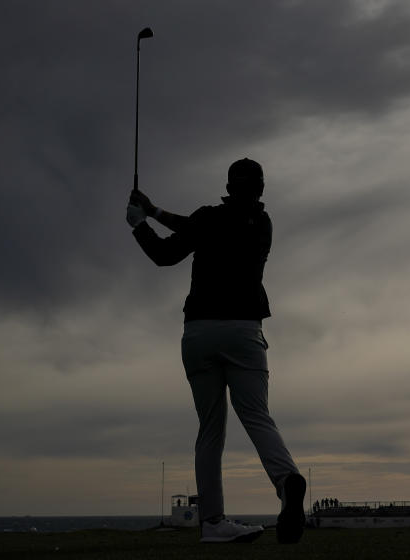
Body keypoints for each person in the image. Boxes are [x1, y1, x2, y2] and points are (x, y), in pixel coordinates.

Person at [126, 158, 306, 544]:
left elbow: (167, 252)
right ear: (260, 189)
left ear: (228, 185)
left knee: (210, 429)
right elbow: (194, 228)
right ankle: (286, 481)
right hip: (244, 331)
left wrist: (139, 223)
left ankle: (212, 523)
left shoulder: (207, 218)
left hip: (200, 333)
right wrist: (154, 210)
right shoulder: (263, 224)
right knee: (257, 417)